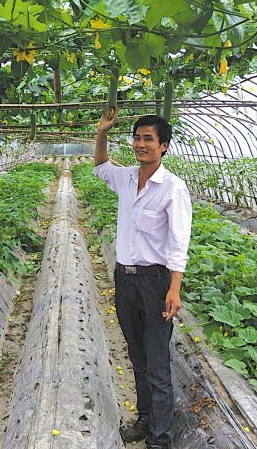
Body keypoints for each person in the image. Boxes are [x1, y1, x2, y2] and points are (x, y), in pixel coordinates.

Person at [93, 108, 192, 449]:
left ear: (163, 146)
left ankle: (161, 438)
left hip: (154, 283)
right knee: (137, 356)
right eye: (136, 138)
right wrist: (102, 133)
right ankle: (146, 420)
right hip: (125, 280)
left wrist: (174, 289)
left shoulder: (173, 188)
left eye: (148, 139)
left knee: (157, 362)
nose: (140, 144)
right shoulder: (126, 177)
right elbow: (101, 167)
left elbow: (179, 243)